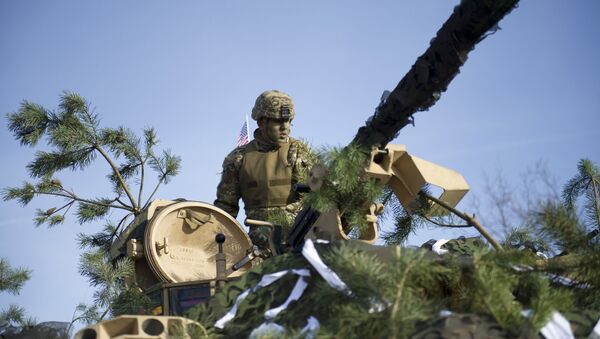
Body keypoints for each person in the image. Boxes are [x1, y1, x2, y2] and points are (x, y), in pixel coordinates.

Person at [214, 90, 314, 254]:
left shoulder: (298, 152)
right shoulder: (238, 159)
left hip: (297, 247)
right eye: (278, 122)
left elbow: (314, 200)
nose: (285, 127)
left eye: (288, 121)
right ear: (261, 122)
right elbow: (225, 209)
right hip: (256, 250)